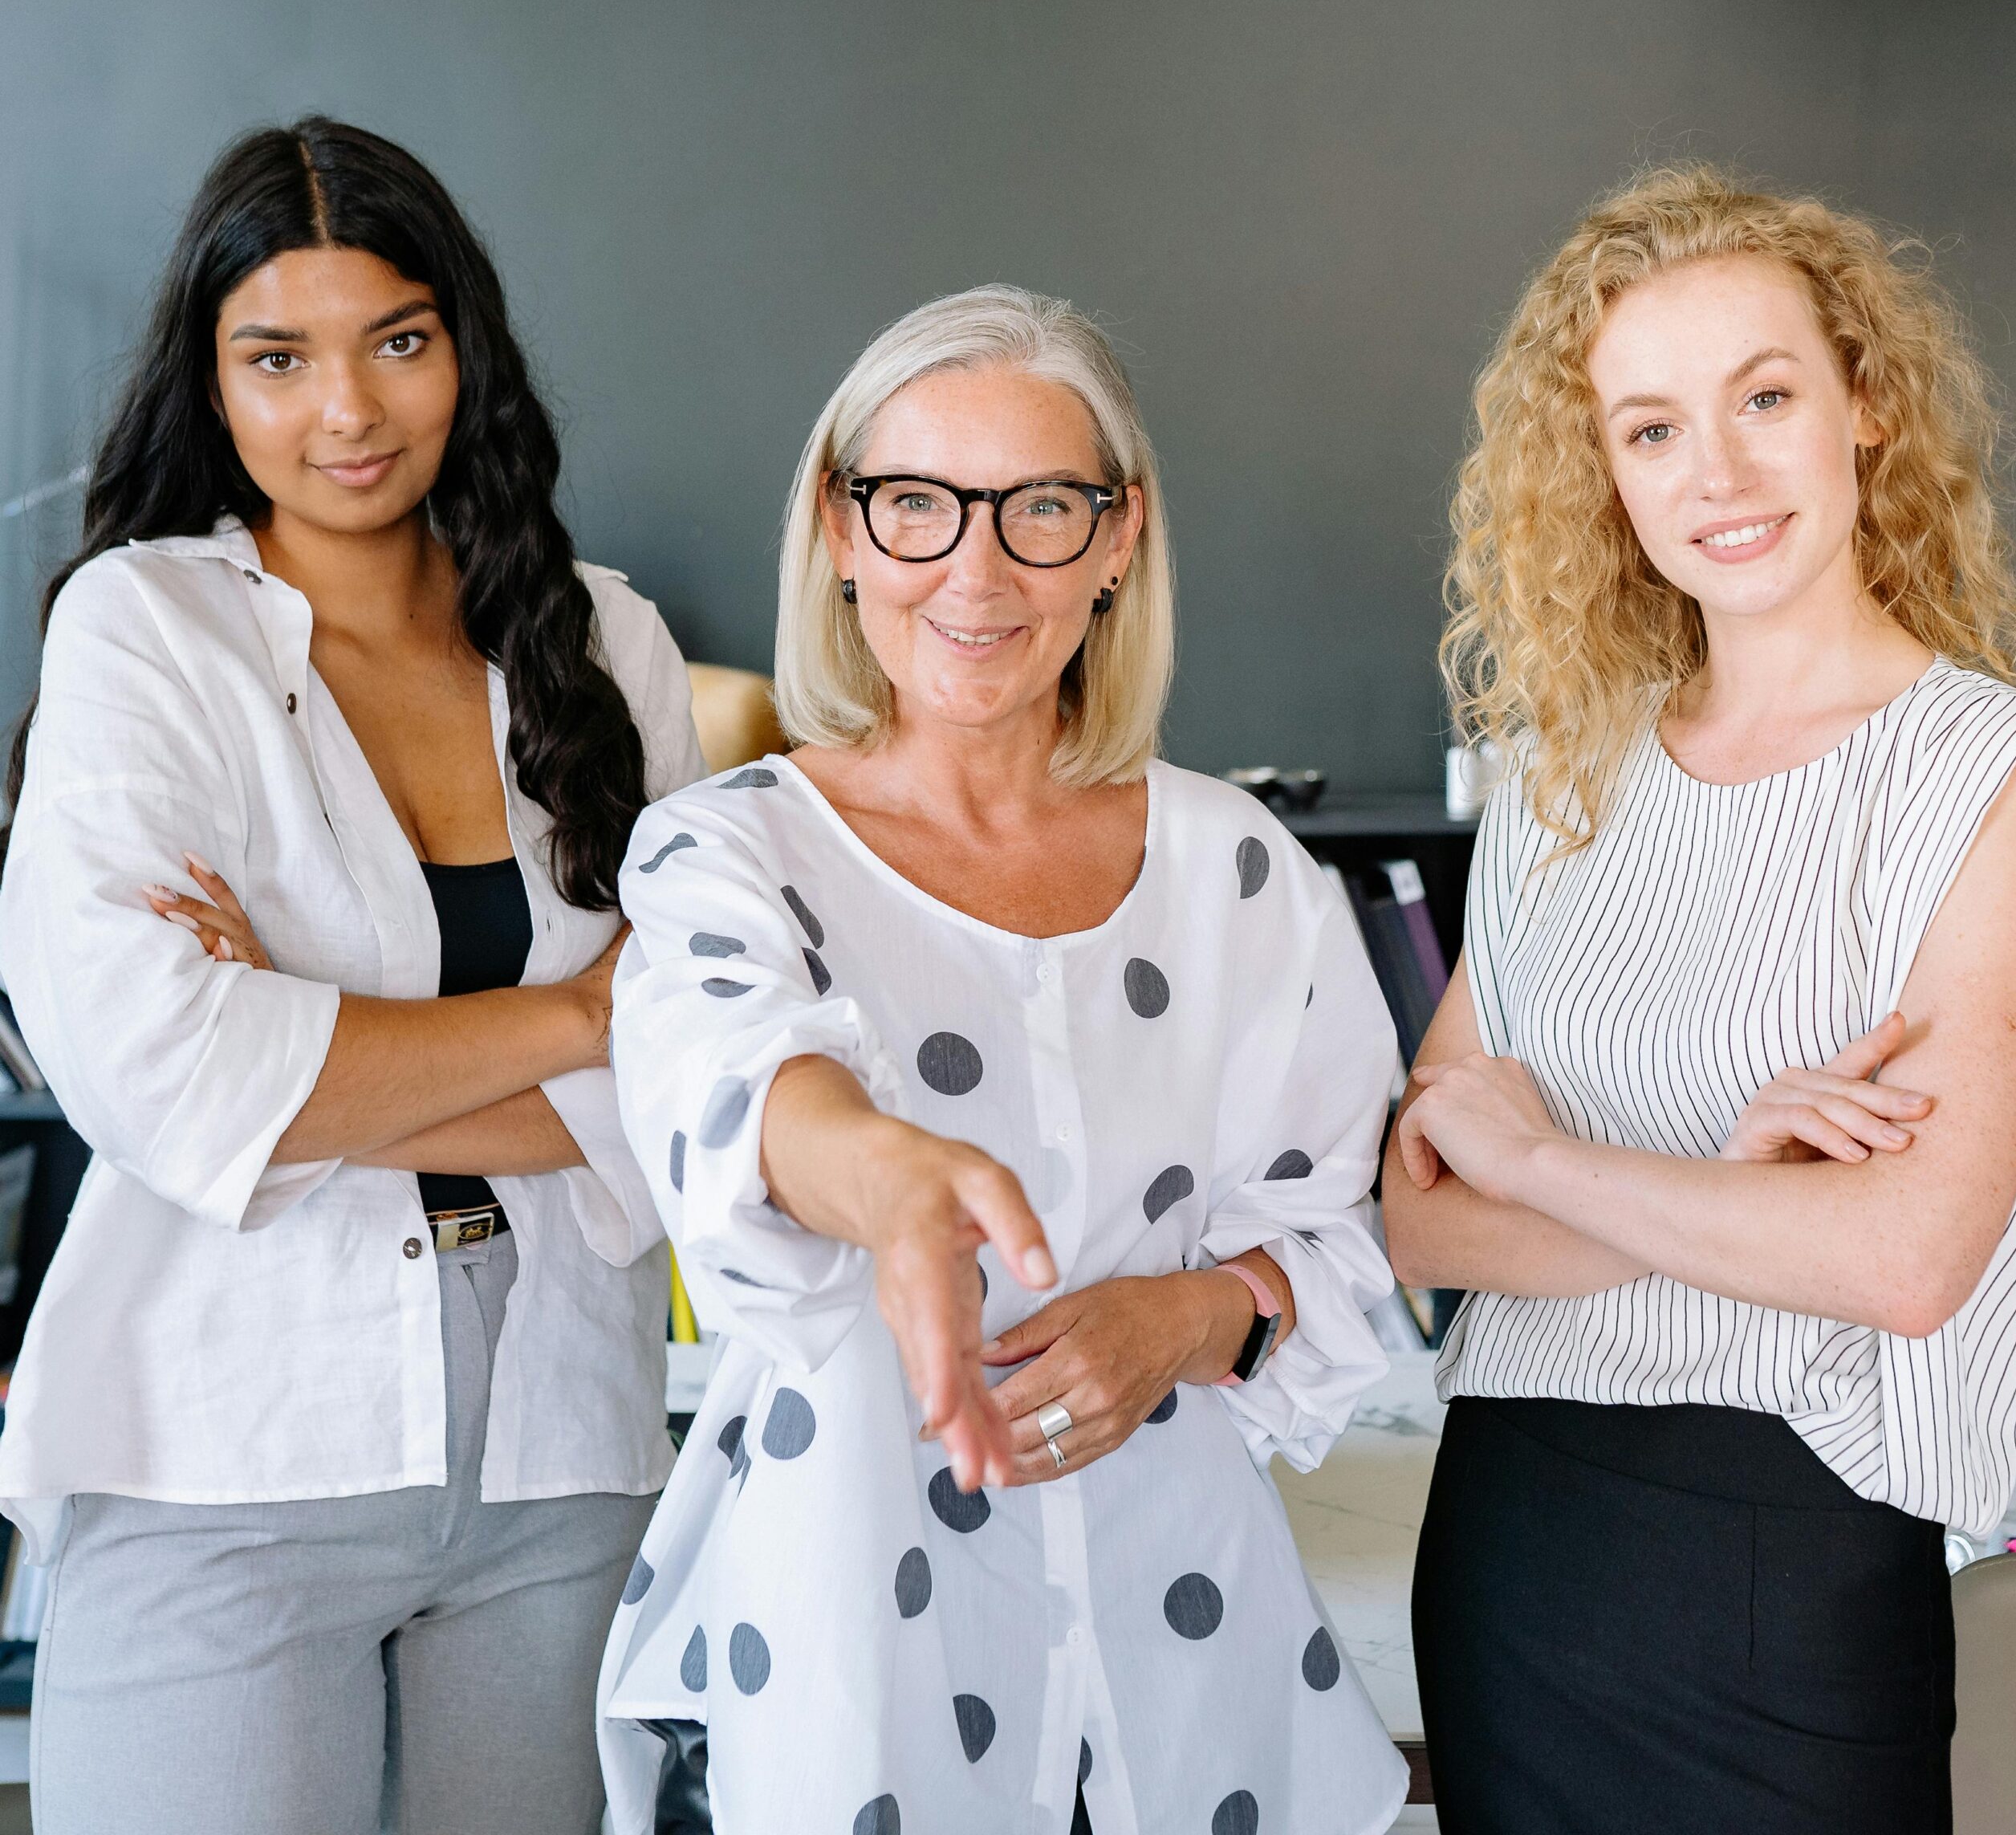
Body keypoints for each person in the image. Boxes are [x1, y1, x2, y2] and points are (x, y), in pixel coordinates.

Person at [595, 286, 1412, 1834]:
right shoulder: (727, 853)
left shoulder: (1246, 876)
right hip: (845, 1676)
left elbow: (1347, 1235)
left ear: (1119, 540)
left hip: (1192, 1685)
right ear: (841, 530)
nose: (975, 570)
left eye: (1040, 507)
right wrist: (894, 1181)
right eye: (916, 505)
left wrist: (1189, 1317)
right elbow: (739, 1080)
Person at [0, 117, 705, 1835]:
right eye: (278, 355)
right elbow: (154, 1070)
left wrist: (303, 1044)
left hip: (563, 1440)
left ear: (464, 344)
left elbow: (696, 1074)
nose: (348, 410)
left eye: (398, 337)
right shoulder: (145, 629)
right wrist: (567, 1023)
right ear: (211, 382)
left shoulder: (605, 641)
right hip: (226, 1439)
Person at [1385, 166, 2016, 1834]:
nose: (1720, 474)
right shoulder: (1556, 781)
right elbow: (1413, 1219)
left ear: (1866, 408)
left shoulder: (1992, 779)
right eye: (1649, 428)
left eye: (1762, 397)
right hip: (1512, 1532)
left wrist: (1542, 1165)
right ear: (1601, 475)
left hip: (1791, 1547)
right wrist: (1737, 1198)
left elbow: (1900, 1262)